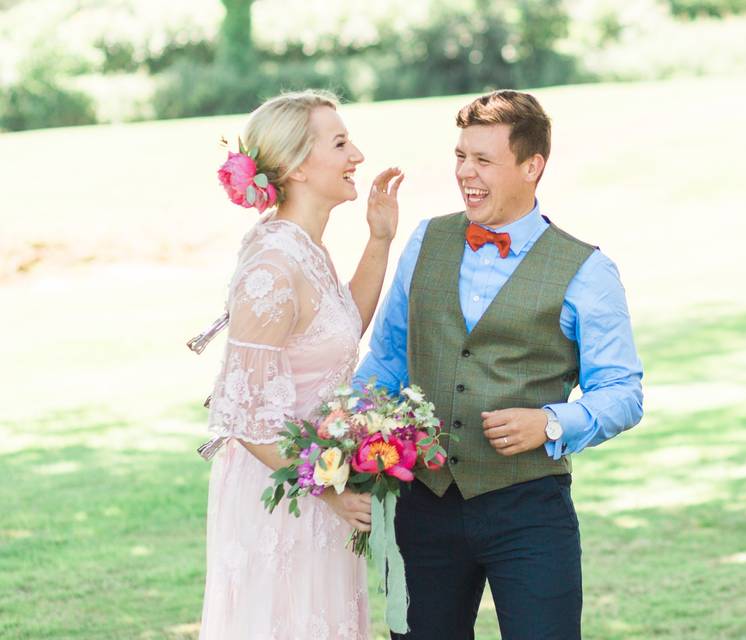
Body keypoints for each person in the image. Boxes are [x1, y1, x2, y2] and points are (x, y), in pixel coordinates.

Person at [354, 89, 644, 640]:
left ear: (532, 166)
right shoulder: (425, 241)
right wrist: (351, 444)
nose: (466, 172)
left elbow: (622, 391)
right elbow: (387, 359)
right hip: (424, 504)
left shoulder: (588, 270)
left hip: (529, 510)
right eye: (461, 155)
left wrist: (553, 422)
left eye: (483, 160)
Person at [198, 89, 403, 639]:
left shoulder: (305, 248)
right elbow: (240, 414)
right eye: (339, 143)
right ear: (294, 166)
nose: (356, 154)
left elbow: (337, 332)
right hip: (283, 494)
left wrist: (379, 240)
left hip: (316, 483)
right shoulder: (273, 264)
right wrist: (333, 491)